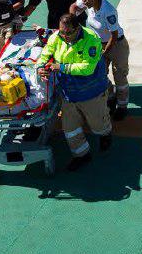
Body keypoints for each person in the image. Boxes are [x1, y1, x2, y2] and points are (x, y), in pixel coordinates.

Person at [37, 13, 111, 172]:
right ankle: (82, 155)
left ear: (78, 28)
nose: (64, 36)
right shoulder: (58, 36)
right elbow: (46, 52)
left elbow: (87, 68)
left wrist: (61, 67)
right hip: (69, 93)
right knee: (70, 129)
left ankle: (105, 134)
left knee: (98, 124)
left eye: (68, 33)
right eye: (62, 32)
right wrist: (40, 67)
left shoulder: (91, 39)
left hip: (91, 93)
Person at [73, 0, 130, 120]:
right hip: (99, 44)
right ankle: (110, 98)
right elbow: (74, 6)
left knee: (119, 76)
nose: (83, 2)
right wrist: (72, 19)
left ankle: (122, 106)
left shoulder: (108, 11)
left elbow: (114, 35)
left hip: (116, 45)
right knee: (100, 74)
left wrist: (104, 53)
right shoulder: (87, 4)